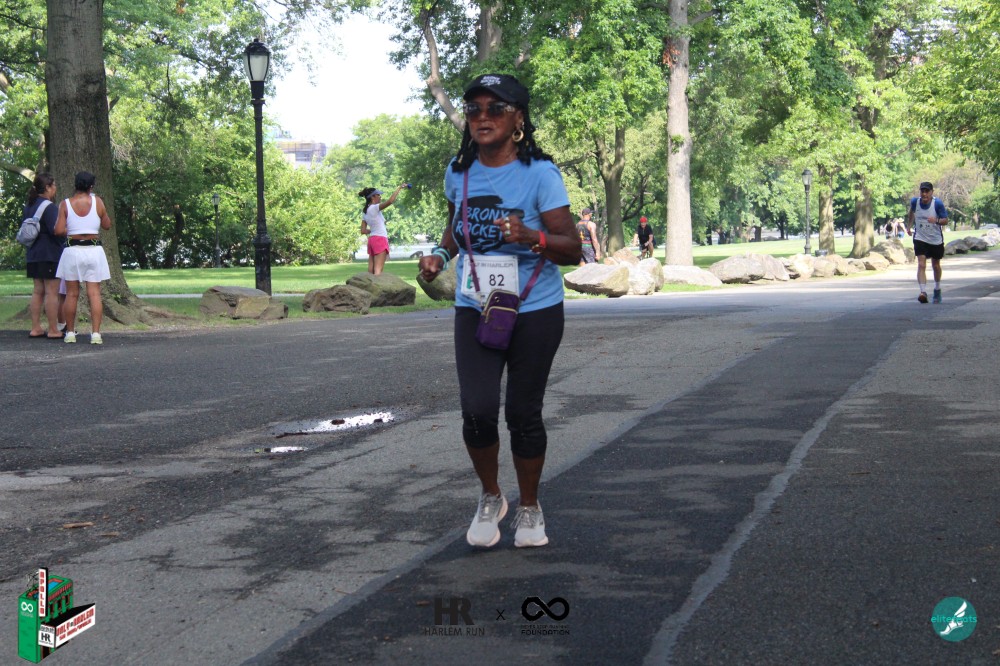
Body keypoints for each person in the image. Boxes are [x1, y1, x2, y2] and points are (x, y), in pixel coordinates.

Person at [417, 73, 581, 549]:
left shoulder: (540, 174)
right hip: (476, 304)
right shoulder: (459, 171)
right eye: (474, 109)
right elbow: (457, 225)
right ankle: (492, 496)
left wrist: (532, 237)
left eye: (495, 108)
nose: (482, 117)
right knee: (477, 410)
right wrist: (440, 255)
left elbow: (572, 250)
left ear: (518, 119)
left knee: (523, 413)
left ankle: (529, 506)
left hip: (535, 308)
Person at [54, 171, 112, 344]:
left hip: (72, 251)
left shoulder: (65, 204)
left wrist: (73, 229)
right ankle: (96, 334)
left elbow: (58, 230)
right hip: (93, 250)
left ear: (76, 185)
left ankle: (70, 333)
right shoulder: (98, 202)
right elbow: (107, 225)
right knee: (94, 293)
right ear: (91, 187)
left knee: (71, 294)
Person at [24, 173, 66, 339]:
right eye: (53, 185)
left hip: (33, 253)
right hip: (49, 254)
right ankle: (53, 329)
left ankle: (35, 328)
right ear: (47, 187)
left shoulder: (29, 205)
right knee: (51, 292)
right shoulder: (49, 207)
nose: (55, 188)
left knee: (37, 292)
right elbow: (56, 230)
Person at [906, 181, 948, 304]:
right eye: (922, 191)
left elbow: (945, 220)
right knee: (921, 264)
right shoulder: (915, 202)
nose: (924, 194)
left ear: (931, 192)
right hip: (920, 238)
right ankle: (923, 292)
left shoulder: (937, 203)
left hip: (935, 239)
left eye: (927, 191)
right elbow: (911, 212)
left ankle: (937, 289)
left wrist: (936, 220)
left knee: (936, 265)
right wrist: (909, 225)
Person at [359, 184, 407, 275]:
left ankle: (368, 284)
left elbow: (363, 231)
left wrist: (373, 230)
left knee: (371, 271)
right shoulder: (374, 208)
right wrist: (399, 188)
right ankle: (377, 284)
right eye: (378, 195)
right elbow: (390, 201)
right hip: (380, 239)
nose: (380, 197)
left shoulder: (365, 211)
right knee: (378, 271)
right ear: (372, 197)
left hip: (372, 240)